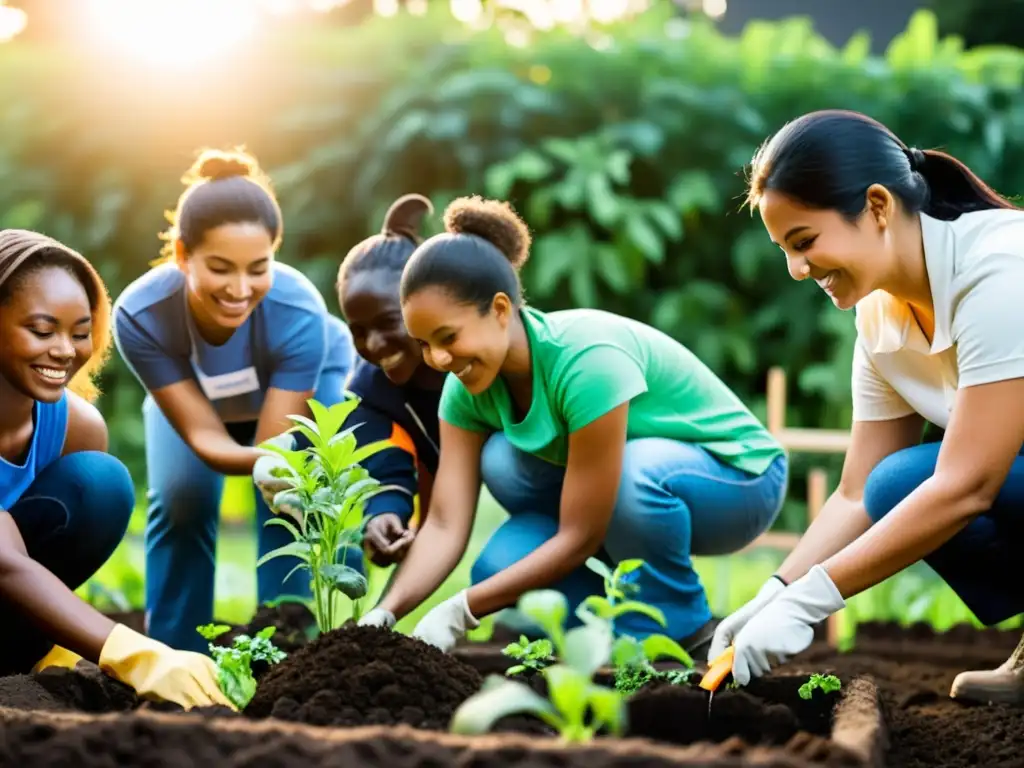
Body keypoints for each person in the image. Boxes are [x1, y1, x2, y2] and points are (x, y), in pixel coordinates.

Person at [358, 195, 788, 657]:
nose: (438, 360)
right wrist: (384, 614)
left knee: (629, 471)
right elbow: (443, 524)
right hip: (621, 497)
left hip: (738, 480)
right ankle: (611, 635)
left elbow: (581, 534)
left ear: (500, 310)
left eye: (449, 337)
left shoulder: (585, 363)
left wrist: (462, 610)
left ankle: (684, 631)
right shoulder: (465, 389)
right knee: (499, 555)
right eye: (424, 344)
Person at [710, 108, 1024, 701]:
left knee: (933, 478)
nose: (796, 270)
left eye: (804, 242)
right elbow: (855, 492)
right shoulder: (880, 314)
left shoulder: (1001, 270)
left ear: (877, 206)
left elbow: (968, 483)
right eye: (784, 249)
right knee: (892, 484)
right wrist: (776, 590)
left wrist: (813, 599)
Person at [112, 148, 354, 654]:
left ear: (276, 253)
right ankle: (176, 655)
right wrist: (264, 461)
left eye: (258, 268)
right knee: (182, 499)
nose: (240, 289)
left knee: (293, 500)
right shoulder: (142, 314)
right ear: (182, 255)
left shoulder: (297, 309)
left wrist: (275, 466)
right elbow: (202, 436)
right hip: (197, 403)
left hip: (300, 392)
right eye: (220, 268)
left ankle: (296, 647)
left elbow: (276, 449)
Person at [0, 228, 230, 710]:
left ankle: (24, 650)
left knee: (100, 485)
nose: (65, 350)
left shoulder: (74, 425)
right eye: (42, 331)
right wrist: (135, 653)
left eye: (80, 332)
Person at [335, 193, 446, 566]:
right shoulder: (370, 391)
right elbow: (386, 463)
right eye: (358, 331)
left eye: (387, 323)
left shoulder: (469, 362)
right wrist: (384, 517)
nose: (373, 344)